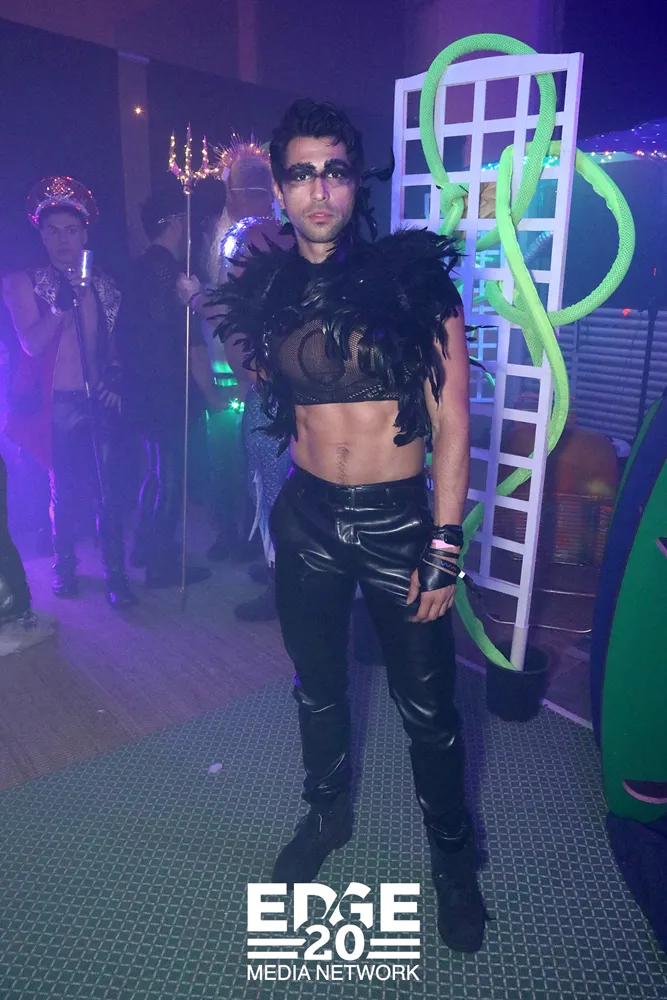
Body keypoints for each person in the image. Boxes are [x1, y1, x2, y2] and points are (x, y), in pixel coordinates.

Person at [209, 99, 486, 953]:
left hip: (400, 523)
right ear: (279, 188)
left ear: (354, 183)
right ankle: (327, 814)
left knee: (427, 708)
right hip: (309, 516)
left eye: (333, 170)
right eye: (300, 173)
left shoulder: (412, 281)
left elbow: (453, 422)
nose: (318, 189)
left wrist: (445, 543)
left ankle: (452, 859)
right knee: (317, 687)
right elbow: (261, 384)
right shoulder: (268, 290)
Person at [1, 177, 136, 608]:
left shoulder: (105, 286)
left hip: (95, 399)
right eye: (54, 231)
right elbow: (31, 343)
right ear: (41, 235)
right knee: (65, 488)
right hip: (55, 402)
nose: (63, 240)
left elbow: (111, 346)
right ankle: (65, 566)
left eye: (71, 231)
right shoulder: (24, 282)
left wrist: (115, 375)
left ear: (85, 235)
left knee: (107, 487)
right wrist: (62, 305)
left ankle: (116, 573)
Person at [181, 137, 294, 620]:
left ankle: (282, 585)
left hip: (268, 386)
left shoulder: (246, 237)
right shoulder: (290, 234)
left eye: (230, 189)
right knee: (278, 483)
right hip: (287, 380)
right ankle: (279, 571)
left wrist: (194, 299)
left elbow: (233, 312)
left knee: (270, 486)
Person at [117, 186, 221, 589]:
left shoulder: (138, 269)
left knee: (158, 470)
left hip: (143, 388)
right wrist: (212, 395)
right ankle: (160, 565)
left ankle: (146, 547)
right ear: (175, 223)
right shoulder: (175, 276)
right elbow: (189, 344)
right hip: (169, 389)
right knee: (173, 476)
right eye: (187, 220)